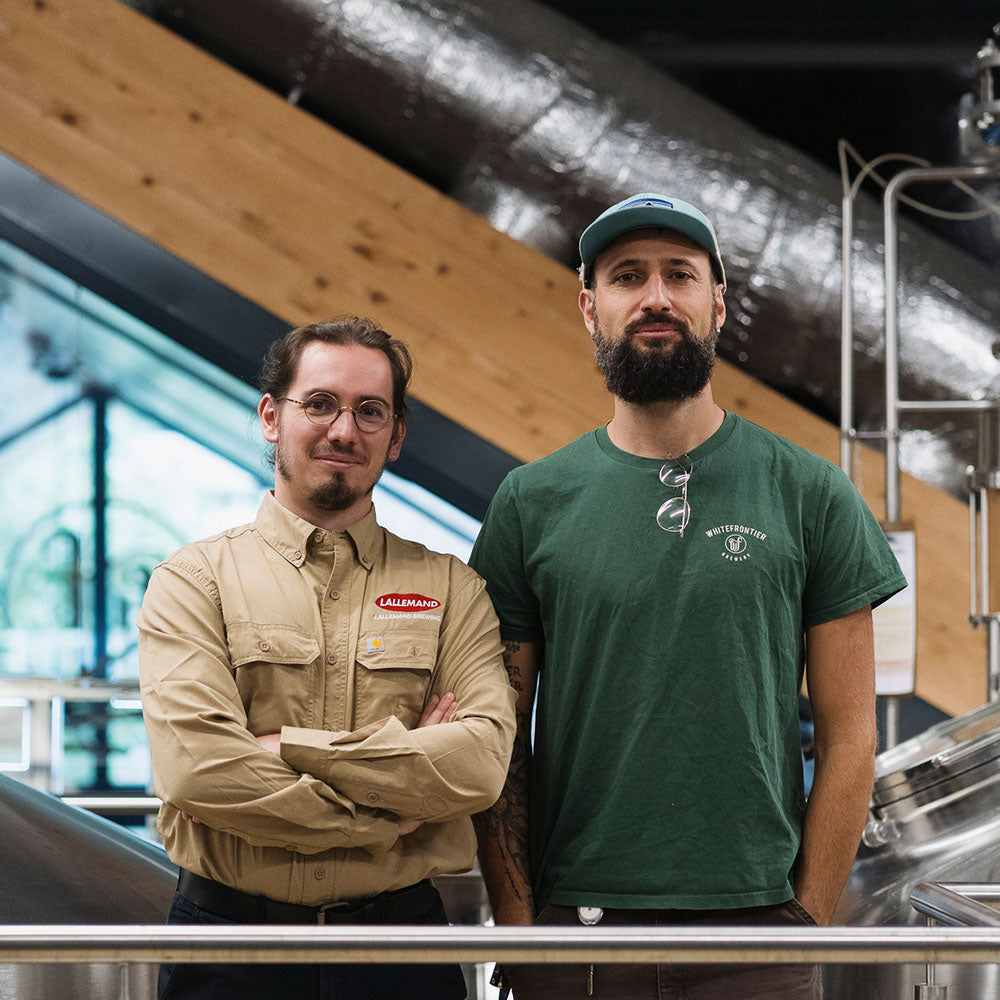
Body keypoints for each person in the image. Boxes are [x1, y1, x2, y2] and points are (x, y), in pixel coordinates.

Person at [469, 193, 906, 999]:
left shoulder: (811, 494)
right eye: (628, 276)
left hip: (754, 937)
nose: (656, 296)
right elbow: (498, 739)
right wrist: (524, 926)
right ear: (590, 306)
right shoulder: (531, 502)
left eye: (681, 274)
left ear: (717, 304)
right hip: (580, 937)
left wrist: (802, 926)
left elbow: (851, 740)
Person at [138, 315, 515, 1000]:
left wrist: (287, 747)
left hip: (402, 956)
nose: (344, 431)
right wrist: (391, 816)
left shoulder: (453, 590)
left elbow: (479, 767)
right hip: (230, 951)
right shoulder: (194, 581)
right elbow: (200, 774)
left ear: (395, 437)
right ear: (271, 417)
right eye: (319, 403)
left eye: (371, 411)